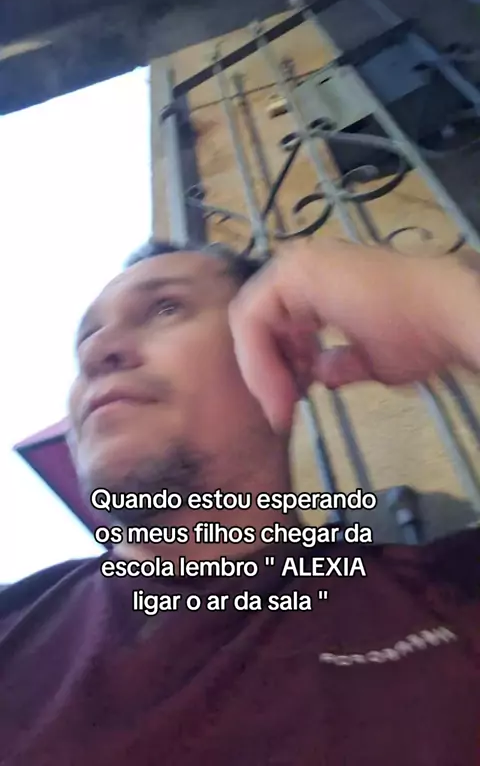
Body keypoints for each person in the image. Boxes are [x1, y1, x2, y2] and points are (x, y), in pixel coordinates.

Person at [1, 237, 479, 766]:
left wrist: (446, 298)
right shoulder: (13, 619)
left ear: (286, 354)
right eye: (85, 340)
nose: (96, 354)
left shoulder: (446, 598)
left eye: (165, 308)